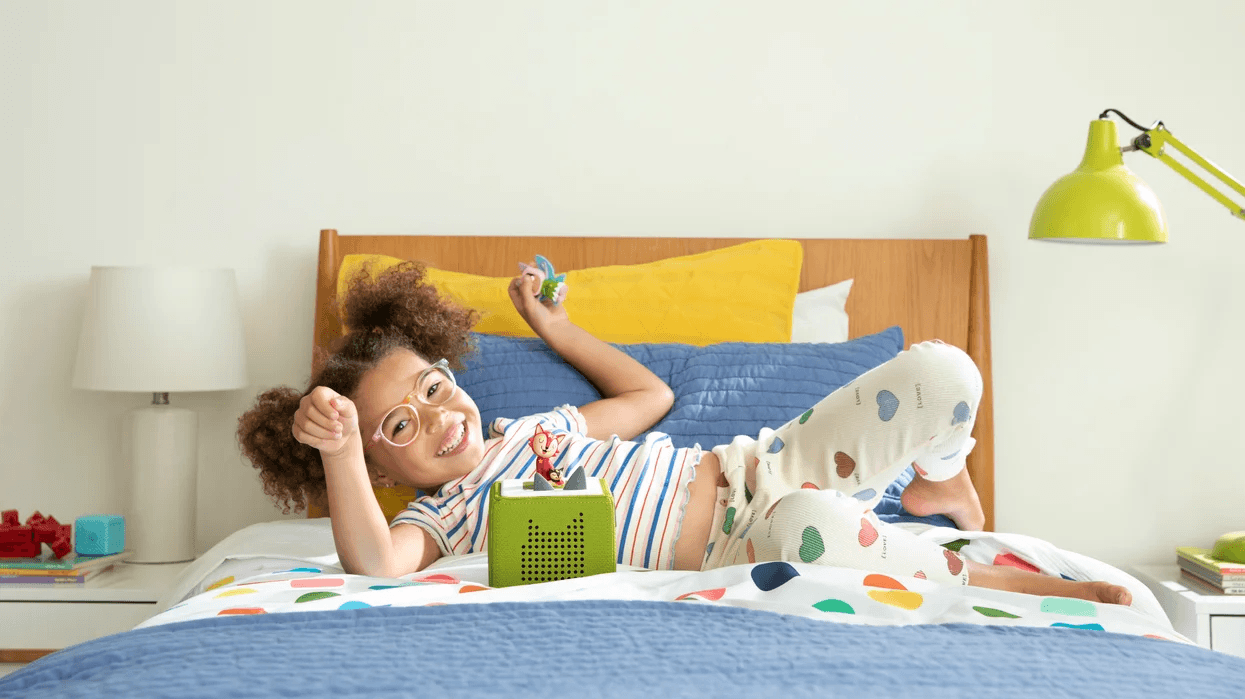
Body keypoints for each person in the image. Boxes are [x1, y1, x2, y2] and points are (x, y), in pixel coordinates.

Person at [237, 261, 1132, 606]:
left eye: (434, 387)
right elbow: (372, 567)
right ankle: (1002, 578)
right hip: (748, 539)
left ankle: (940, 478)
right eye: (401, 424)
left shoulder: (539, 426)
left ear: (451, 369)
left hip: (760, 463)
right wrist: (342, 448)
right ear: (385, 458)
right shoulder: (446, 516)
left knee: (947, 373)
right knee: (811, 528)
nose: (436, 417)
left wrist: (554, 329)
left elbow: (650, 394)